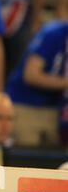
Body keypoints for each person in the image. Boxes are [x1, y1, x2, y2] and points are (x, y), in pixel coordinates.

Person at [6, 20, 68, 148]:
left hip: (55, 109)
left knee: (52, 162)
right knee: (26, 159)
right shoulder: (53, 33)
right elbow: (31, 75)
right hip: (26, 105)